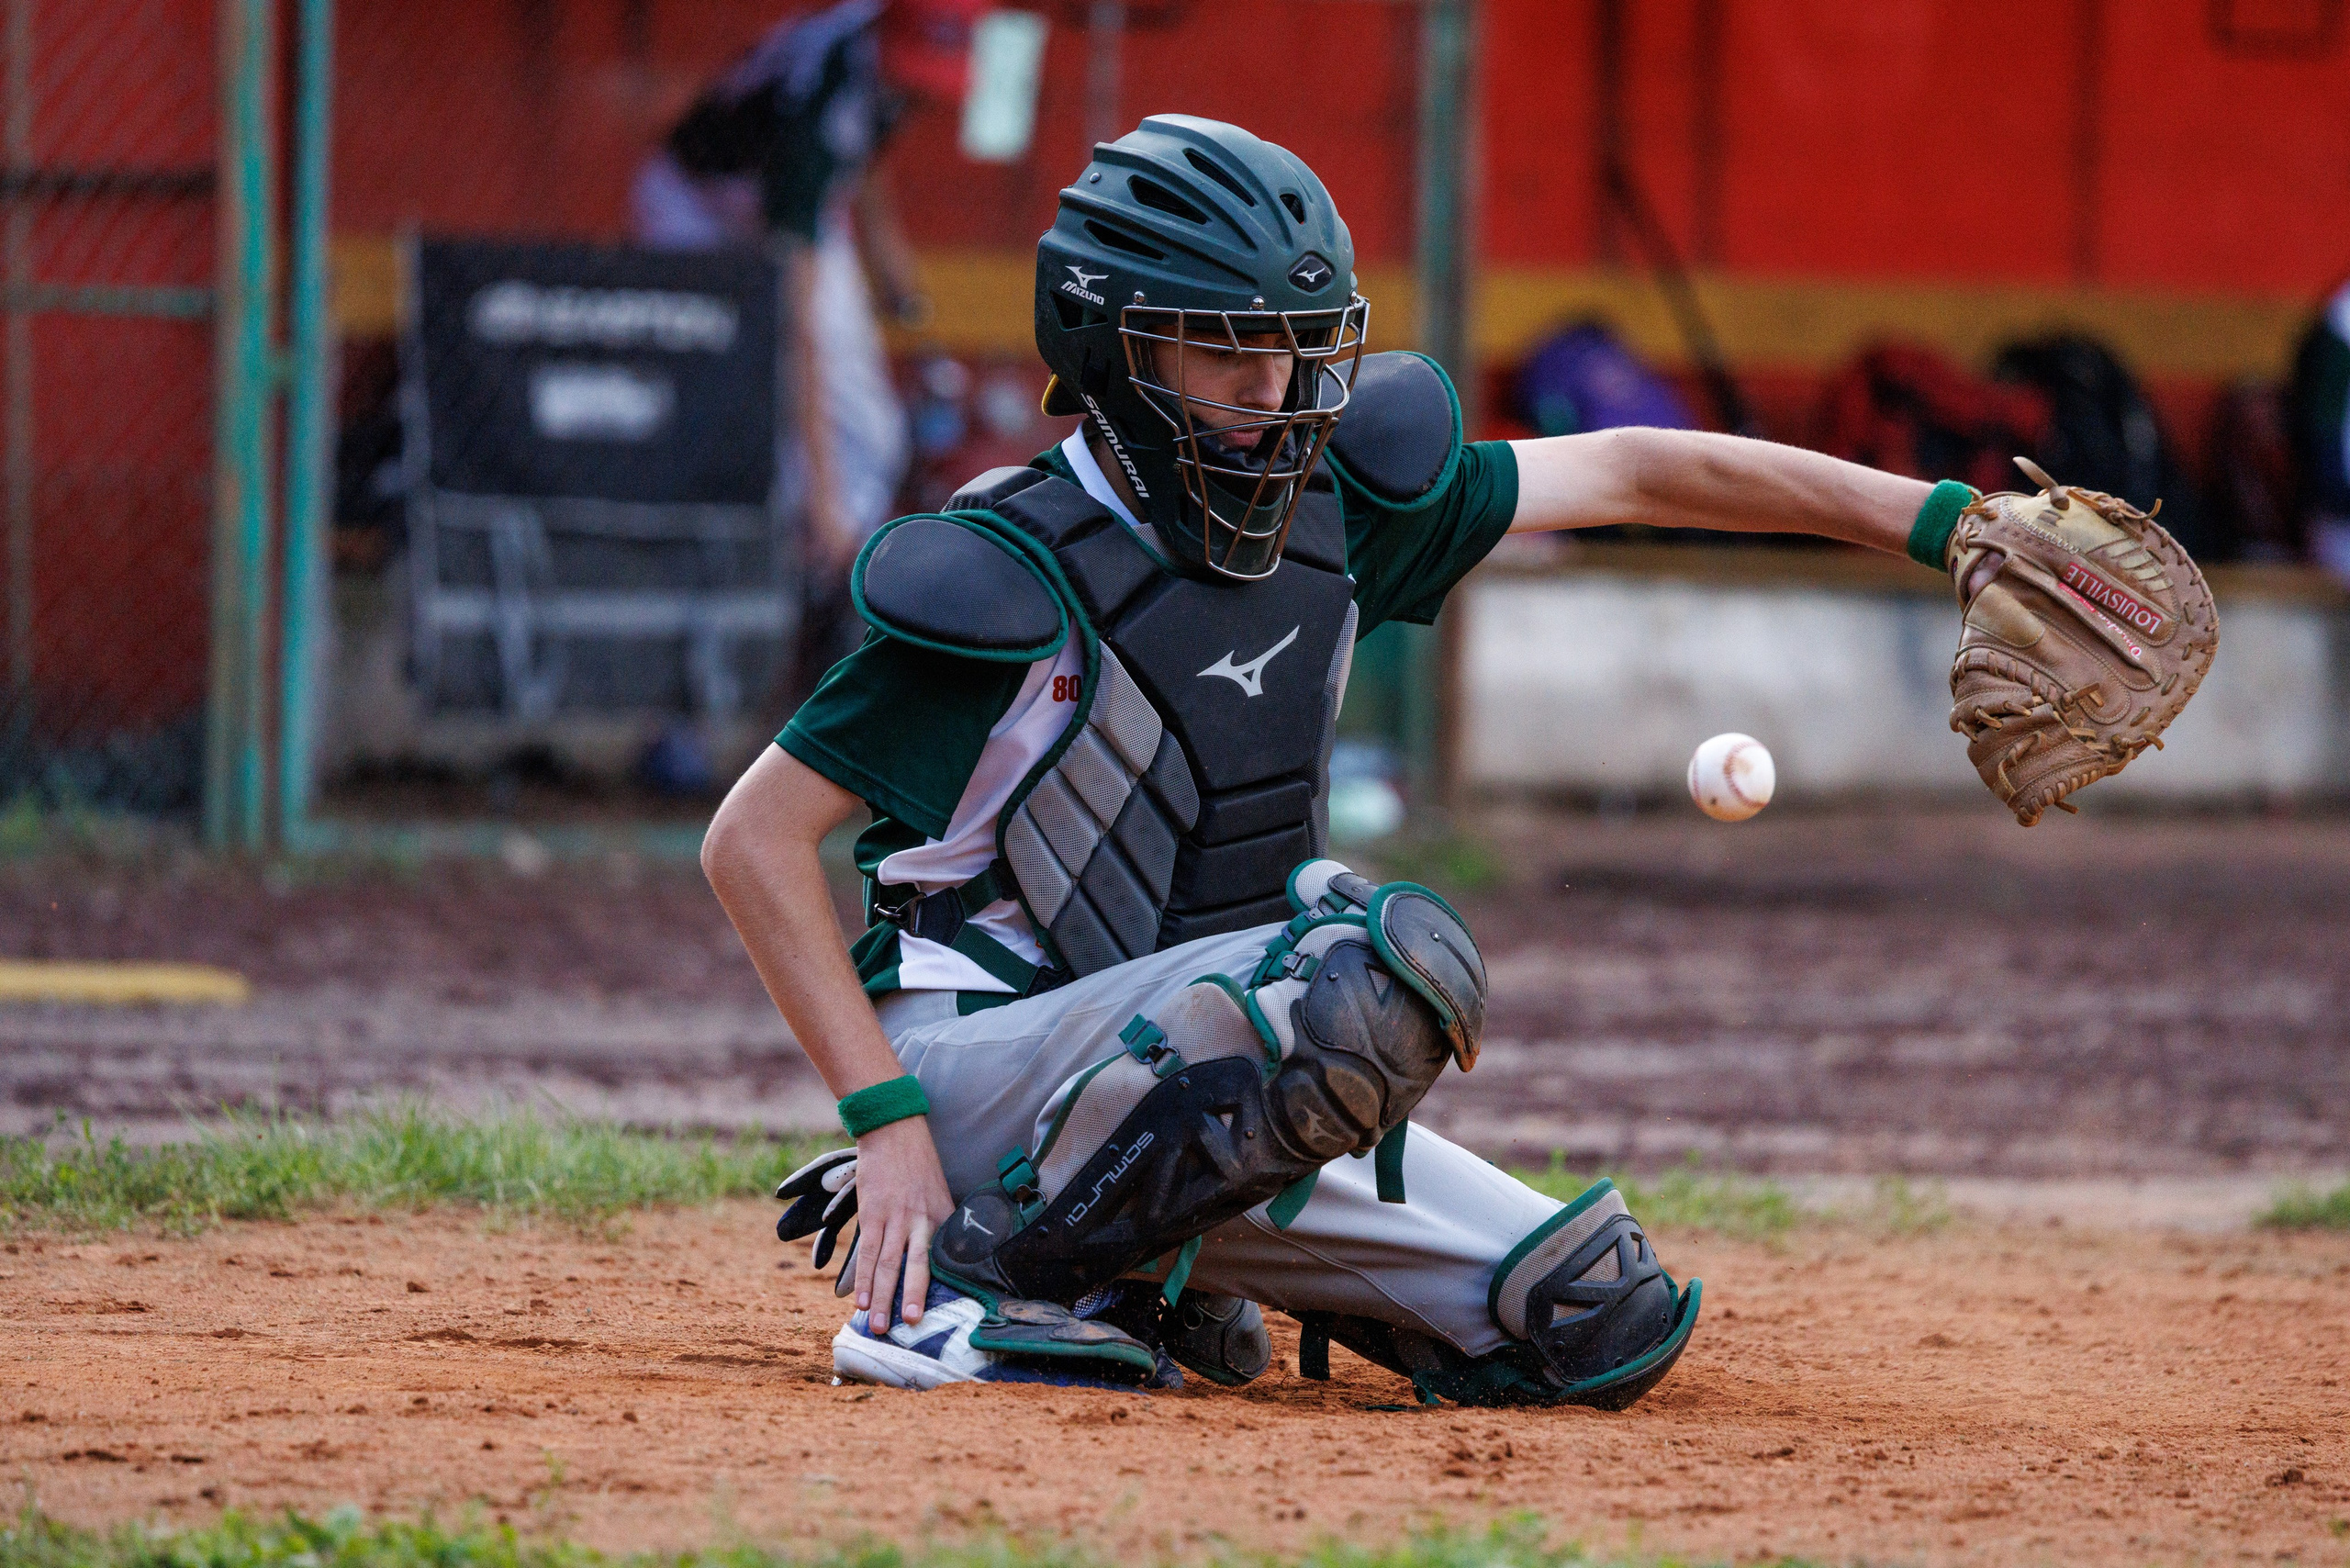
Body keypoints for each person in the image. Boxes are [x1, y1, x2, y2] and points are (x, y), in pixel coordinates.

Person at [701, 116, 1973, 1407]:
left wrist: (1952, 529)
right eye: (1228, 354)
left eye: (1298, 355)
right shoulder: (1013, 567)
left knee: (1592, 1313)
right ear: (1113, 343)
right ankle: (973, 1284)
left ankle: (1144, 1267)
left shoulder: (1326, 508)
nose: (1272, 398)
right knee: (1366, 974)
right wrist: (886, 1121)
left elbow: (1642, 466)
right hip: (973, 1066)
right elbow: (749, 843)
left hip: (1194, 1076)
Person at [633, 0, 981, 670]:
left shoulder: (869, 50)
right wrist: (823, 495)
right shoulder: (816, 106)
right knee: (763, 429)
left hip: (793, 203)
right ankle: (821, 569)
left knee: (874, 434)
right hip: (696, 206)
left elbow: (863, 157)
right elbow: (798, 328)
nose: (920, 88)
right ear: (887, 34)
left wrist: (892, 272)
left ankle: (841, 602)